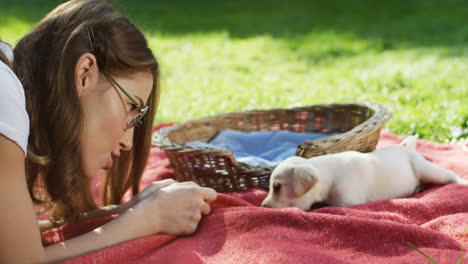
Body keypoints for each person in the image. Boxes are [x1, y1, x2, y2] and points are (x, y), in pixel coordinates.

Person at [0, 0, 217, 263]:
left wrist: (123, 212)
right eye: (132, 107)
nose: (128, 143)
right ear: (84, 74)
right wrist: (147, 220)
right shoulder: (5, 98)